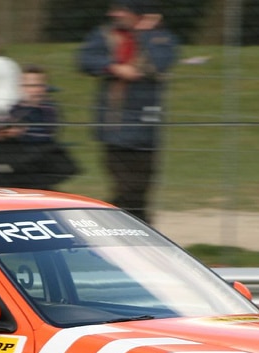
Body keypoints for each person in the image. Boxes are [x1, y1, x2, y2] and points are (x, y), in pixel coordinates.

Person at [78, 0, 177, 223]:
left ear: (137, 13)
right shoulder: (105, 35)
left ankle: (110, 225)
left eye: (121, 10)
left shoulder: (160, 37)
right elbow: (85, 60)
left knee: (140, 189)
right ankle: (130, 231)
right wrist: (114, 67)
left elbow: (158, 63)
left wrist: (144, 34)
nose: (114, 14)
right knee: (127, 188)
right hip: (115, 125)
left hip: (146, 127)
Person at [0, 64, 77, 190]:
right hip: (19, 155)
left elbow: (47, 132)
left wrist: (21, 132)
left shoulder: (47, 108)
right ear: (21, 87)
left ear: (44, 88)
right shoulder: (16, 108)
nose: (35, 90)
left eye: (38, 85)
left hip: (38, 158)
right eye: (29, 86)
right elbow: (6, 124)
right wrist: (3, 132)